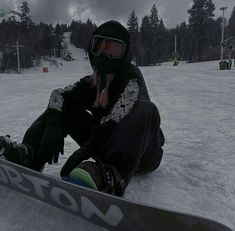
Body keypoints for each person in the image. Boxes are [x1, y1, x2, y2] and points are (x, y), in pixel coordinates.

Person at [0, 20, 165, 196]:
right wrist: (54, 125)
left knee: (147, 109)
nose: (104, 54)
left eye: (112, 49)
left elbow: (117, 117)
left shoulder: (131, 78)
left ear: (124, 54)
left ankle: (110, 177)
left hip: (142, 153)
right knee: (62, 106)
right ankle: (31, 154)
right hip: (106, 145)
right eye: (99, 47)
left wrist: (86, 150)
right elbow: (59, 95)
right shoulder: (93, 82)